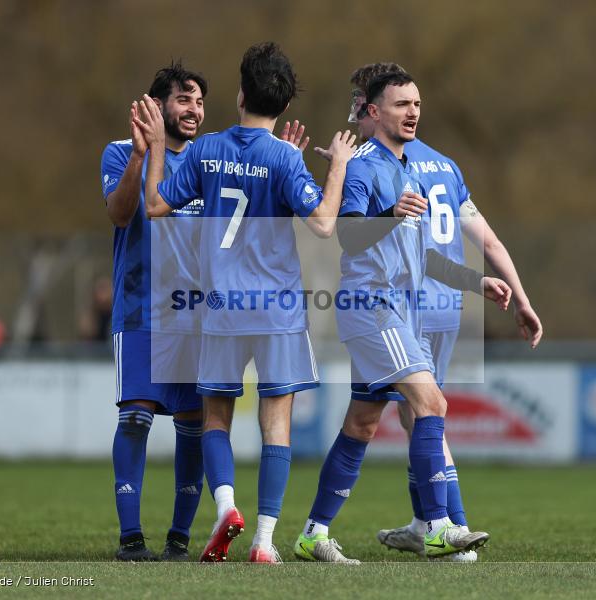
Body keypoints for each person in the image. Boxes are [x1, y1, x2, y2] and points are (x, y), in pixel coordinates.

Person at [136, 42, 356, 563]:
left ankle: (225, 507)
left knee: (216, 418)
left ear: (239, 94)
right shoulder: (284, 157)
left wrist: (156, 148)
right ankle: (263, 541)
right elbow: (324, 223)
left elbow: (155, 206)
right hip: (276, 309)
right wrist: (339, 166)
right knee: (275, 424)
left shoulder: (207, 149)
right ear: (284, 106)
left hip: (221, 306)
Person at [294, 71, 511, 563]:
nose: (412, 112)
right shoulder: (365, 166)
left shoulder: (406, 169)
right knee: (430, 404)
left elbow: (419, 255)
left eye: (416, 103)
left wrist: (475, 281)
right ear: (373, 112)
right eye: (400, 104)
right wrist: (390, 214)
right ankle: (438, 528)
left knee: (363, 423)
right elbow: (347, 236)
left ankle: (312, 534)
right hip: (374, 307)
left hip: (399, 310)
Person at [100, 62, 208, 562]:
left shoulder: (209, 161)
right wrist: (142, 155)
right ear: (156, 105)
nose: (194, 110)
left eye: (199, 102)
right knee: (136, 417)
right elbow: (120, 213)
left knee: (194, 425)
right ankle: (131, 538)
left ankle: (179, 539)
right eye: (184, 99)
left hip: (195, 317)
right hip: (141, 309)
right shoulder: (120, 151)